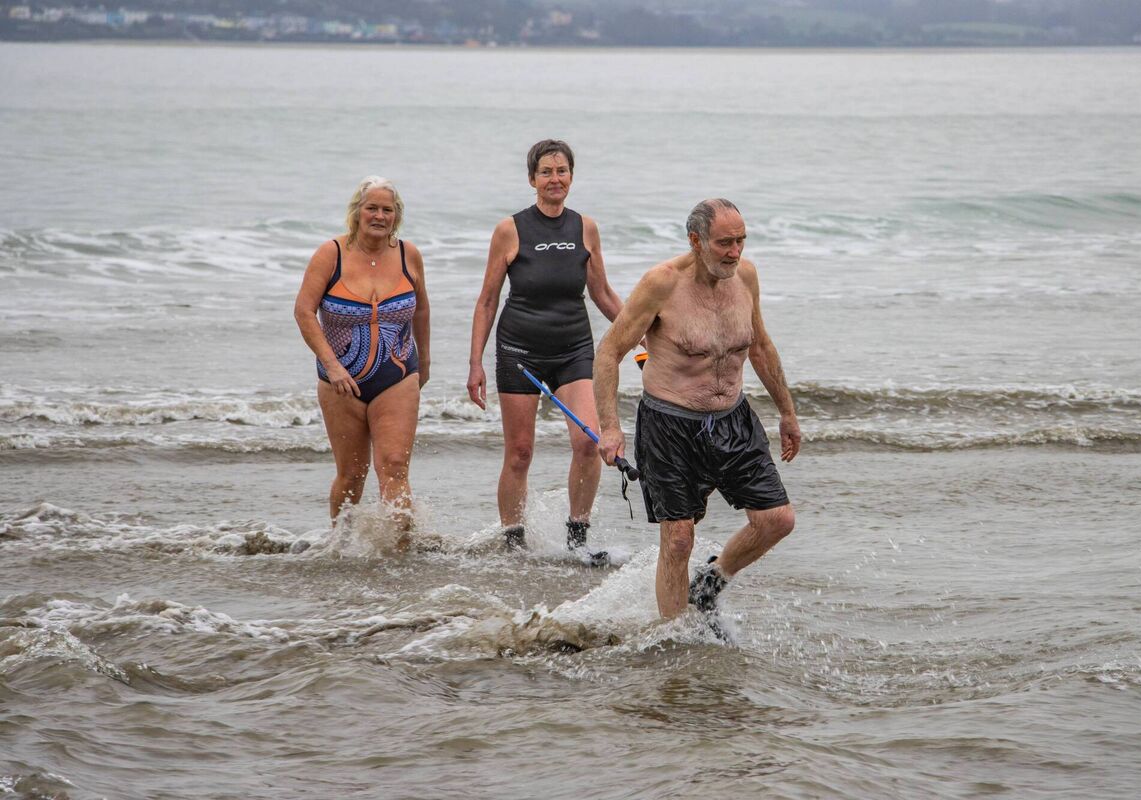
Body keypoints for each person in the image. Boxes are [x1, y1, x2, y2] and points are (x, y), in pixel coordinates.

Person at [593, 198, 800, 619]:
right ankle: (677, 635)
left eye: (741, 240)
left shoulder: (746, 277)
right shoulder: (662, 283)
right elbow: (609, 352)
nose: (735, 252)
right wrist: (610, 427)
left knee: (777, 520)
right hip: (670, 424)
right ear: (695, 240)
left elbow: (759, 346)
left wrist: (788, 413)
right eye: (725, 242)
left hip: (733, 420)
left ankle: (712, 581)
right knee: (678, 539)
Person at [467, 139, 623, 559]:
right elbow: (487, 300)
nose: (555, 179)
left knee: (588, 443)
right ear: (532, 178)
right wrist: (475, 363)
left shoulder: (585, 228)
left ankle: (577, 540)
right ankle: (514, 543)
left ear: (571, 175)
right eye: (546, 172)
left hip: (573, 348)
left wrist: (641, 333)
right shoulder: (510, 230)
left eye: (562, 171)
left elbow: (602, 293)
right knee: (520, 452)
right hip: (519, 350)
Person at [294, 176, 430, 528]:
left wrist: (425, 362)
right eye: (372, 208)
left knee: (395, 466)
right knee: (351, 476)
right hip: (340, 382)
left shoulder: (408, 254)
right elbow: (304, 311)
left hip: (397, 375)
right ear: (357, 212)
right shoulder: (331, 254)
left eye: (387, 210)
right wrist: (332, 366)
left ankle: (400, 550)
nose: (379, 216)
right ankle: (341, 545)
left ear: (396, 216)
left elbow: (422, 310)